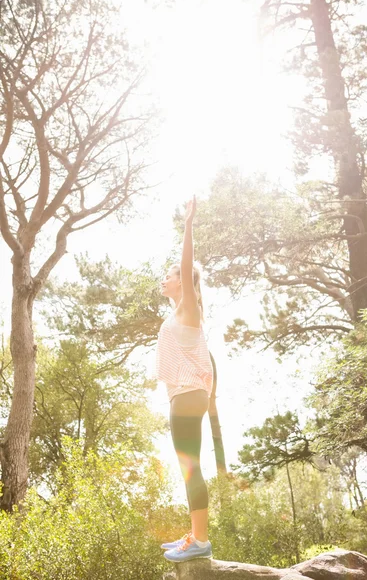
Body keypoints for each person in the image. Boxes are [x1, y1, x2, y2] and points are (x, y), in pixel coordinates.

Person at [156, 195, 213, 563]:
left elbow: (188, 263)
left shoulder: (189, 306)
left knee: (190, 467)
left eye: (171, 274)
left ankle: (201, 541)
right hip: (185, 396)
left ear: (183, 282)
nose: (165, 277)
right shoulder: (178, 314)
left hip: (189, 395)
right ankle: (196, 534)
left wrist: (188, 224)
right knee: (187, 466)